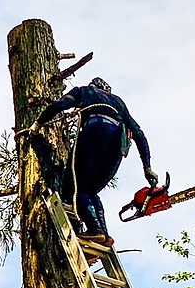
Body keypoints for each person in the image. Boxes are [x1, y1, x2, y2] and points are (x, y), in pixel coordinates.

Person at [23, 77, 157, 247]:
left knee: (75, 187)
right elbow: (138, 134)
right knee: (91, 191)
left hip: (96, 130)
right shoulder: (118, 103)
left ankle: (95, 230)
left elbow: (59, 105)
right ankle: (103, 234)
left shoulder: (85, 92)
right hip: (117, 146)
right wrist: (147, 167)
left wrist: (37, 124)